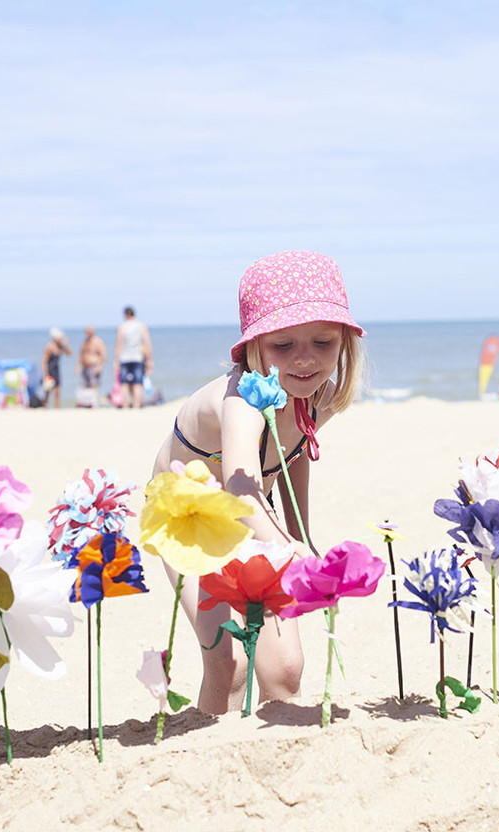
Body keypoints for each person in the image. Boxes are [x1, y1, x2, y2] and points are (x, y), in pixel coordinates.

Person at [149, 250, 366, 713]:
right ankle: (209, 752)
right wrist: (289, 548)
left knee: (284, 670)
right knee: (231, 665)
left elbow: (292, 453)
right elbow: (241, 487)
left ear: (344, 340)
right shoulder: (242, 399)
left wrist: (300, 532)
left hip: (250, 515)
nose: (304, 360)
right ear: (255, 347)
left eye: (323, 343)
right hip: (186, 515)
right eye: (284, 346)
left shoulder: (316, 394)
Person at [116, 306, 153, 408]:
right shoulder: (141, 326)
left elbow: (119, 343)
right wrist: (150, 359)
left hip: (124, 358)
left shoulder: (123, 326)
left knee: (124, 384)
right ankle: (136, 406)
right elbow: (147, 343)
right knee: (137, 383)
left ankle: (126, 406)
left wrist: (116, 360)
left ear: (125, 315)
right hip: (138, 357)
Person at [42, 328, 73, 409]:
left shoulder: (60, 346)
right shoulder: (49, 346)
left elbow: (70, 353)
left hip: (56, 370)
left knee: (57, 390)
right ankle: (44, 406)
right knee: (48, 391)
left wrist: (65, 344)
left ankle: (57, 407)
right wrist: (45, 373)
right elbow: (44, 361)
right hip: (50, 370)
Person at [78, 326, 108, 391]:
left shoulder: (97, 341)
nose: (87, 333)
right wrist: (78, 365)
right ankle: (87, 401)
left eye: (89, 331)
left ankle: (94, 401)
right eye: (86, 331)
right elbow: (81, 354)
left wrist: (99, 366)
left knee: (94, 386)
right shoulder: (85, 342)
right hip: (85, 367)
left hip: (94, 367)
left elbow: (103, 354)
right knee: (85, 387)